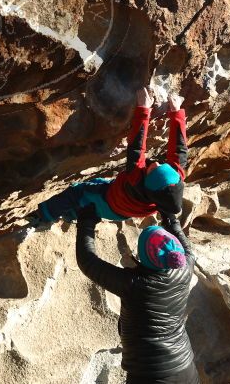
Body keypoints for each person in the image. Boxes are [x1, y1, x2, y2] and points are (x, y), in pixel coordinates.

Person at [75, 208, 199, 383]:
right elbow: (182, 242)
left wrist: (86, 219)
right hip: (185, 367)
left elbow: (88, 261)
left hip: (149, 373)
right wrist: (169, 215)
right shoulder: (186, 266)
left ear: (144, 257)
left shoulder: (135, 284)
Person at [38, 88, 187, 225]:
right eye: (163, 166)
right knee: (96, 183)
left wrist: (144, 108)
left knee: (77, 191)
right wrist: (177, 112)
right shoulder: (174, 179)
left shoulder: (136, 178)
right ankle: (71, 213)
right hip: (125, 211)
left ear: (147, 180)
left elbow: (137, 146)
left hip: (109, 203)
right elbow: (179, 149)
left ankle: (42, 216)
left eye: (153, 169)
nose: (157, 164)